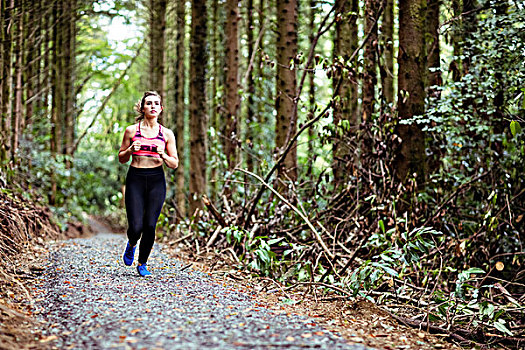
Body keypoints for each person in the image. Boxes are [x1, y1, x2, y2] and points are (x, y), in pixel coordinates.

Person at [118, 91, 179, 276]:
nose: (152, 106)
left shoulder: (166, 134)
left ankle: (142, 263)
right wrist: (130, 149)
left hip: (156, 180)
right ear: (143, 108)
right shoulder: (131, 130)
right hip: (135, 178)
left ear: (161, 109)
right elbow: (121, 158)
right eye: (149, 103)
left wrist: (163, 155)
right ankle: (132, 243)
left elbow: (174, 163)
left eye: (156, 103)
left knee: (150, 225)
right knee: (136, 226)